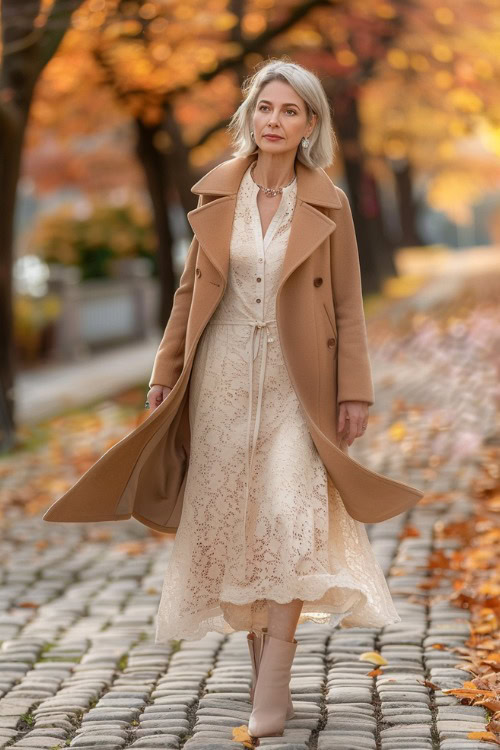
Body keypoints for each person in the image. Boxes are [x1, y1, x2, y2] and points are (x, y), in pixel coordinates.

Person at [145, 58, 402, 739]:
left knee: (289, 521)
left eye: (291, 111)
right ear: (249, 118)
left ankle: (276, 683)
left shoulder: (330, 202)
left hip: (299, 382)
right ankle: (262, 673)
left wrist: (355, 391)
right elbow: (187, 294)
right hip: (222, 377)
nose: (276, 121)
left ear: (310, 124)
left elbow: (348, 305)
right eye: (266, 109)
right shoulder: (214, 196)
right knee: (243, 527)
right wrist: (165, 371)